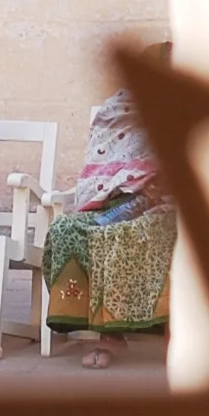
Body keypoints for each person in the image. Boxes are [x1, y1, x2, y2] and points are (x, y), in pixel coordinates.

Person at [42, 49, 176, 369]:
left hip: (166, 204)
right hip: (113, 198)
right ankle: (109, 335)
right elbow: (102, 171)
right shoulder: (119, 109)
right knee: (67, 229)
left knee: (130, 233)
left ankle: (164, 334)